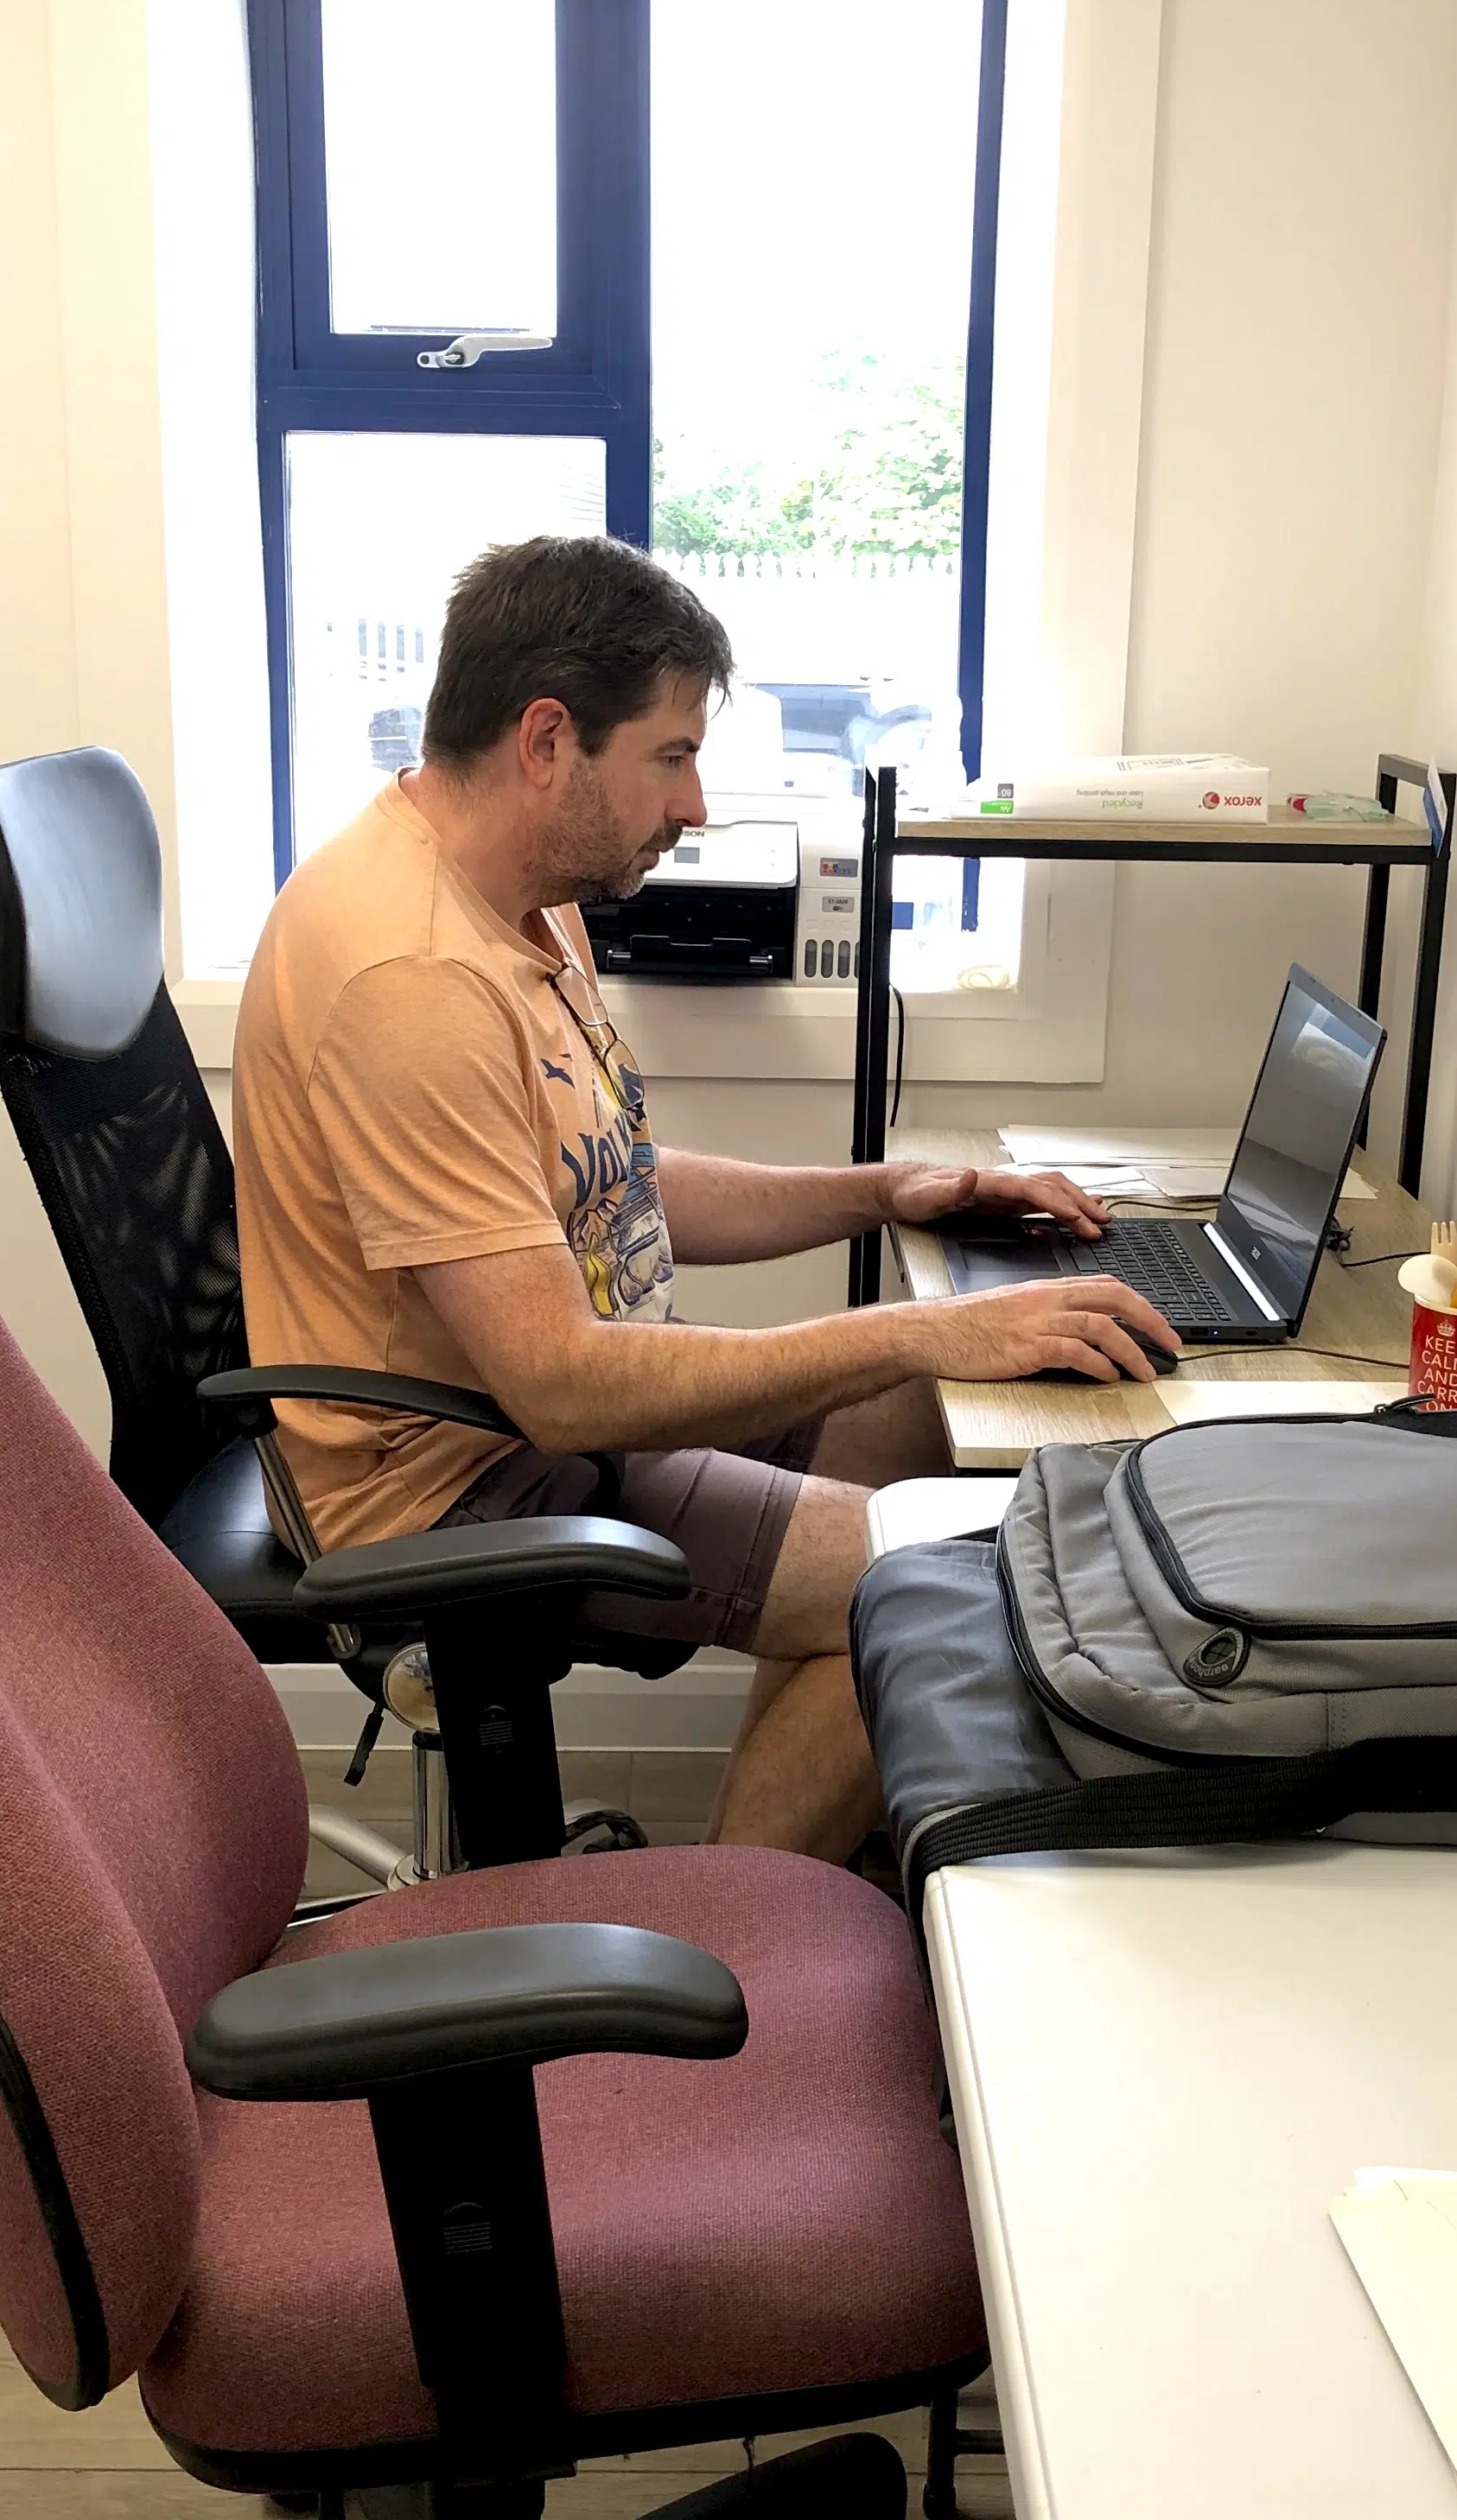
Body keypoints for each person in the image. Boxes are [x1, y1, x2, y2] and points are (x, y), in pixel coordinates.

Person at [233, 535, 1177, 1862]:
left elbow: (613, 1186)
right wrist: (926, 1324)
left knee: (926, 1425)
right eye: (672, 756)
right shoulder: (414, 976)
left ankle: (789, 1881)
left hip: (547, 1413)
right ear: (549, 740)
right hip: (458, 1476)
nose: (694, 803)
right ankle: (737, 1959)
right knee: (946, 1578)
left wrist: (889, 1193)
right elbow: (560, 1383)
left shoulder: (525, 897)